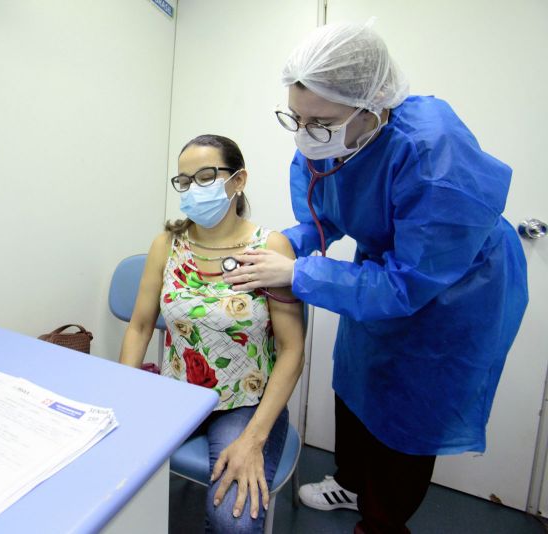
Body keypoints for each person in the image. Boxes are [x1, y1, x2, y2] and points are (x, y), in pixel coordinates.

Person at [222, 20, 529, 534]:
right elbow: (323, 219)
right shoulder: (329, 136)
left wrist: (299, 274)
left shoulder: (432, 152)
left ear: (372, 105)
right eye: (295, 117)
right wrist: (270, 248)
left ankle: (383, 522)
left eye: (319, 121)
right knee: (358, 381)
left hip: (451, 290)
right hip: (378, 272)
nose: (305, 134)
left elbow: (410, 283)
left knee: (408, 417)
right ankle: (352, 483)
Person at [119, 134, 305, 533]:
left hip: (245, 400)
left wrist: (254, 439)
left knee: (232, 520)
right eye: (184, 182)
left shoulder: (270, 246)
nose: (192, 189)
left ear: (238, 181)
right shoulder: (167, 245)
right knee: (104, 462)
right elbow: (139, 326)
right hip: (177, 390)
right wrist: (126, 392)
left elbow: (292, 350)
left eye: (205, 176)